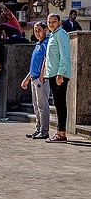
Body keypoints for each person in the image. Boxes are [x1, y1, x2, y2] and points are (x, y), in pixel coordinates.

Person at [43, 13, 72, 143]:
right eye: (49, 22)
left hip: (59, 75)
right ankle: (59, 132)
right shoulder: (52, 35)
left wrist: (60, 73)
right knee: (57, 103)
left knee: (60, 103)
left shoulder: (61, 35)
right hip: (52, 74)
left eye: (54, 22)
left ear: (59, 22)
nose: (51, 24)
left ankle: (61, 133)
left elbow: (64, 56)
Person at [21, 21, 50, 140]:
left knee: (43, 105)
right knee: (36, 106)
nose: (37, 33)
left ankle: (44, 131)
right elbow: (34, 65)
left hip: (40, 79)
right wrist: (27, 79)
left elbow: (46, 60)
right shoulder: (38, 44)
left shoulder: (46, 43)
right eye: (35, 31)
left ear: (45, 30)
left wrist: (41, 77)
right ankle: (38, 128)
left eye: (39, 30)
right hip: (34, 78)